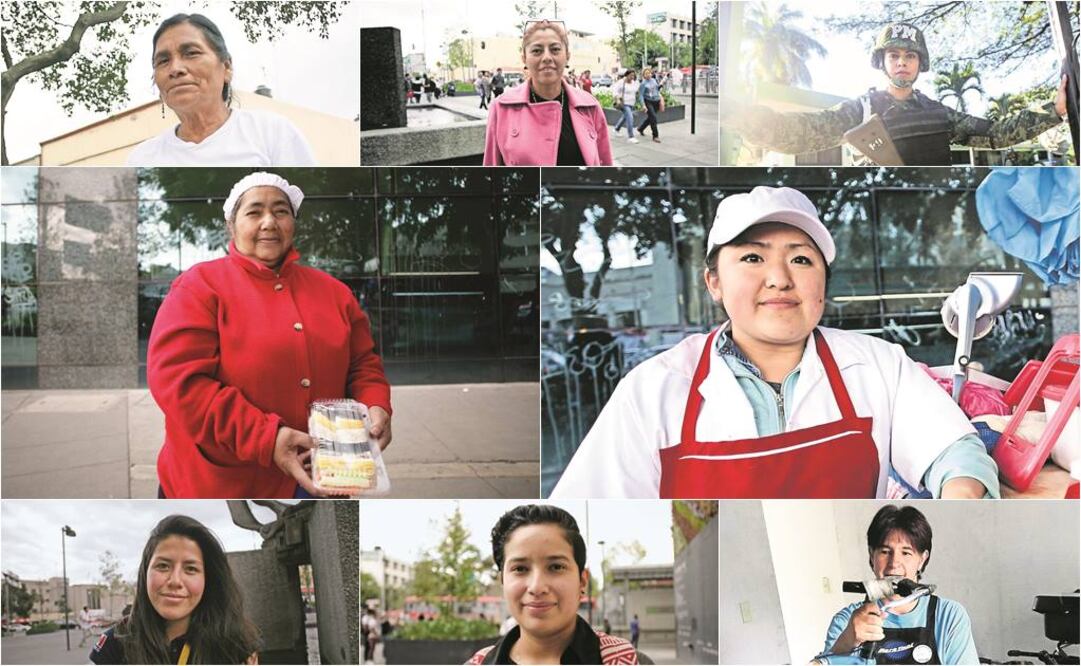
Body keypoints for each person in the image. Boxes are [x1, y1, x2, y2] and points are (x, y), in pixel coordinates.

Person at [551, 186, 1000, 500]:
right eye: (752, 257)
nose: (780, 279)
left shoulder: (879, 364)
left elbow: (953, 451)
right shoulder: (652, 389)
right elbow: (596, 500)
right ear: (714, 282)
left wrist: (960, 496)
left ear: (823, 283)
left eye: (801, 259)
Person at [147, 172, 392, 498]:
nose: (269, 222)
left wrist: (375, 404)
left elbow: (363, 364)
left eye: (280, 211)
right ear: (231, 226)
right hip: (223, 483)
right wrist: (266, 437)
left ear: (293, 222)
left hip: (321, 475)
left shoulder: (334, 293)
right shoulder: (199, 287)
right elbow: (180, 384)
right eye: (254, 211)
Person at [723, 22, 1068, 166]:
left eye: (910, 56)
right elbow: (802, 134)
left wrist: (1054, 109)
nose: (902, 63)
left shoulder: (938, 113)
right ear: (883, 62)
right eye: (894, 56)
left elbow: (995, 134)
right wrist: (748, 120)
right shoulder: (861, 110)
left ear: (920, 64)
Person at [127, 14, 315, 167]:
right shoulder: (142, 159)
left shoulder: (273, 133)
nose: (175, 68)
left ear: (226, 67)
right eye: (163, 61)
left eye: (191, 53)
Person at [467, 505, 638, 664]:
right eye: (520, 568)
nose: (537, 587)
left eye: (556, 567)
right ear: (503, 582)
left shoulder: (624, 659)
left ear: (582, 581)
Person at [817, 505, 979, 664]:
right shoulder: (846, 621)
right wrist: (846, 642)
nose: (894, 563)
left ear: (922, 559)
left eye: (906, 553)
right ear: (872, 555)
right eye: (885, 552)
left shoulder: (948, 616)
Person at [89, 515, 260, 664]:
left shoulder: (235, 646)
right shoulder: (115, 643)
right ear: (145, 573)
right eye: (163, 566)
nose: (175, 581)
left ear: (208, 579)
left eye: (191, 569)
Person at [483, 20, 613, 166]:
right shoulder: (501, 108)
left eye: (555, 49)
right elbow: (491, 174)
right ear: (524, 58)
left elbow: (605, 168)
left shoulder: (590, 106)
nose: (546, 58)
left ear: (567, 56)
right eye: (537, 50)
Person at [636, 67, 664, 143]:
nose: (648, 74)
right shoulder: (643, 84)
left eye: (649, 73)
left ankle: (641, 128)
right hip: (648, 101)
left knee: (651, 118)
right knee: (653, 118)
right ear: (644, 75)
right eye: (646, 73)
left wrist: (660, 86)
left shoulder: (654, 80)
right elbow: (641, 95)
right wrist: (643, 105)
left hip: (656, 101)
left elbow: (656, 89)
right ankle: (655, 136)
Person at [612, 69, 640, 144]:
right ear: (626, 75)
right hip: (623, 103)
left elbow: (636, 92)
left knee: (625, 117)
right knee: (630, 117)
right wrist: (617, 98)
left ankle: (616, 129)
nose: (632, 77)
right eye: (631, 75)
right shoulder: (621, 82)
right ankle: (631, 137)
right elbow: (615, 90)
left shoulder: (634, 83)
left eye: (633, 75)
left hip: (631, 103)